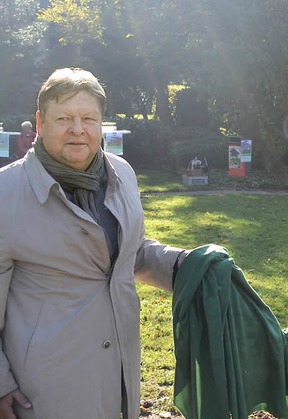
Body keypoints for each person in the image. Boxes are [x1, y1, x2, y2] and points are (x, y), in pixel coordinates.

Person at [0, 68, 189, 419]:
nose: (77, 129)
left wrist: (185, 265)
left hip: (120, 370)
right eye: (64, 118)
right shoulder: (5, 194)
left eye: (88, 118)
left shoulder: (121, 173)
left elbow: (125, 251)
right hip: (47, 388)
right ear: (40, 123)